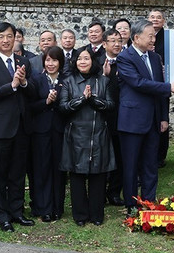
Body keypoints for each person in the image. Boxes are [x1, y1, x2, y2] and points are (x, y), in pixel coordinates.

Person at [0, 21, 34, 232]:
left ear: (15, 38)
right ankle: (2, 215)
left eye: (9, 36)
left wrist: (24, 83)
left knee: (18, 173)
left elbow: (32, 91)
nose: (6, 40)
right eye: (1, 37)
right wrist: (11, 86)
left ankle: (17, 211)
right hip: (1, 127)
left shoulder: (24, 62)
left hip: (22, 126)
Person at [116, 19, 171, 217]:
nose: (153, 39)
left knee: (150, 164)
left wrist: (163, 117)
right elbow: (139, 83)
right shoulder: (125, 58)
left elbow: (160, 91)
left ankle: (149, 202)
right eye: (150, 36)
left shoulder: (155, 58)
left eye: (154, 36)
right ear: (136, 37)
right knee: (131, 166)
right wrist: (169, 87)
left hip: (153, 120)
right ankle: (131, 205)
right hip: (132, 121)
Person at [59, 47, 116, 226]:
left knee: (98, 175)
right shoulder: (68, 81)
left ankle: (96, 214)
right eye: (79, 59)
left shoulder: (103, 81)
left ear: (93, 61)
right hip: (76, 135)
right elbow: (63, 107)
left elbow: (110, 105)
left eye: (86, 58)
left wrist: (93, 99)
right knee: (77, 176)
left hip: (98, 133)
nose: (82, 62)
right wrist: (82, 99)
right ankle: (80, 215)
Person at [27, 46, 67, 222]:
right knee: (41, 168)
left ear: (60, 62)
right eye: (48, 60)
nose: (51, 64)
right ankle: (43, 207)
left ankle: (57, 207)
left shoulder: (66, 80)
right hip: (40, 131)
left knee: (58, 170)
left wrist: (56, 102)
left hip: (59, 130)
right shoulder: (36, 79)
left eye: (54, 60)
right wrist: (46, 102)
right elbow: (30, 106)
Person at [101, 28, 125, 205]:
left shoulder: (126, 62)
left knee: (119, 155)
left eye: (119, 41)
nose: (117, 44)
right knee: (101, 156)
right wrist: (105, 76)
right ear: (104, 44)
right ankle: (99, 192)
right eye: (113, 41)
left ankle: (115, 192)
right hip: (101, 116)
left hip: (121, 115)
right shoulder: (95, 61)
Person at [147, 9, 170, 168]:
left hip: (162, 82)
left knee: (163, 119)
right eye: (152, 17)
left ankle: (161, 155)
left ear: (163, 21)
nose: (155, 20)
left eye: (158, 17)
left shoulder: (167, 38)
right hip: (146, 82)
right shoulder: (141, 35)